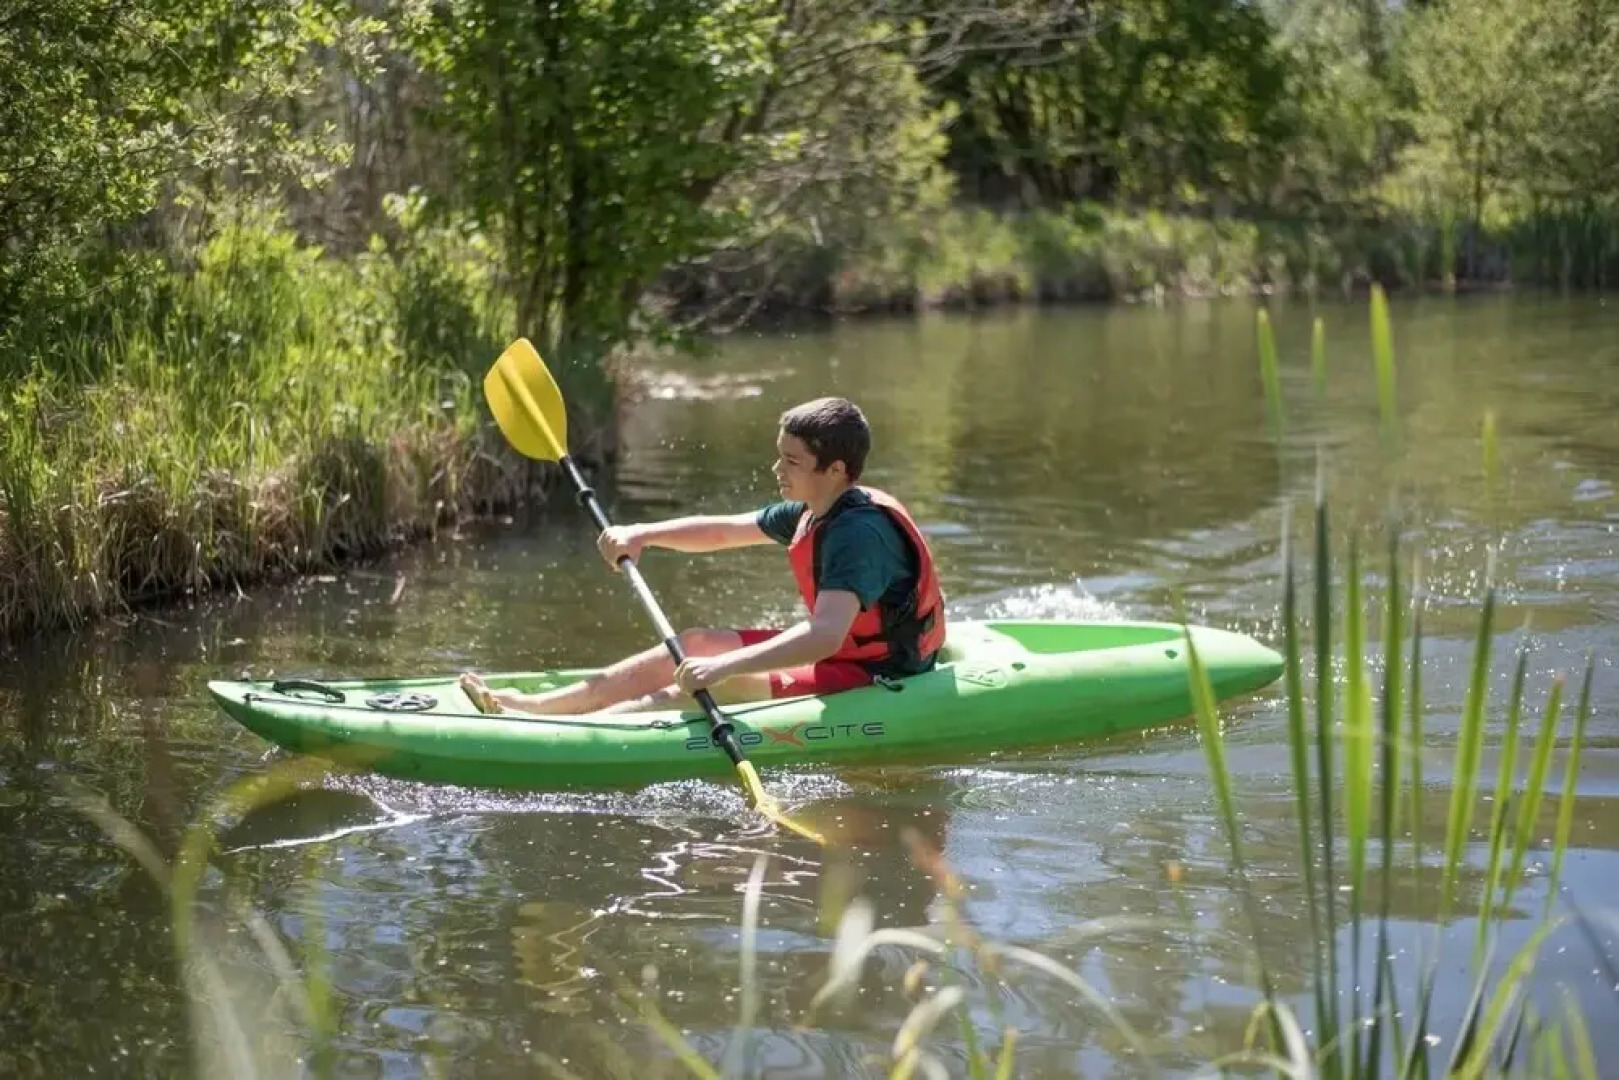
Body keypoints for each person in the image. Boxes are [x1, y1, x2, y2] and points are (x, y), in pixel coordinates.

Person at [459, 396, 946, 715]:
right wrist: (642, 534)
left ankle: (578, 731)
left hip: (877, 671)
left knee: (713, 684)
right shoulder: (812, 509)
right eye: (780, 455)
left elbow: (822, 636)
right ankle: (536, 707)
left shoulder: (858, 535)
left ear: (836, 469)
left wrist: (726, 669)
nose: (778, 469)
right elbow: (722, 532)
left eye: (792, 461)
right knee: (694, 642)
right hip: (845, 651)